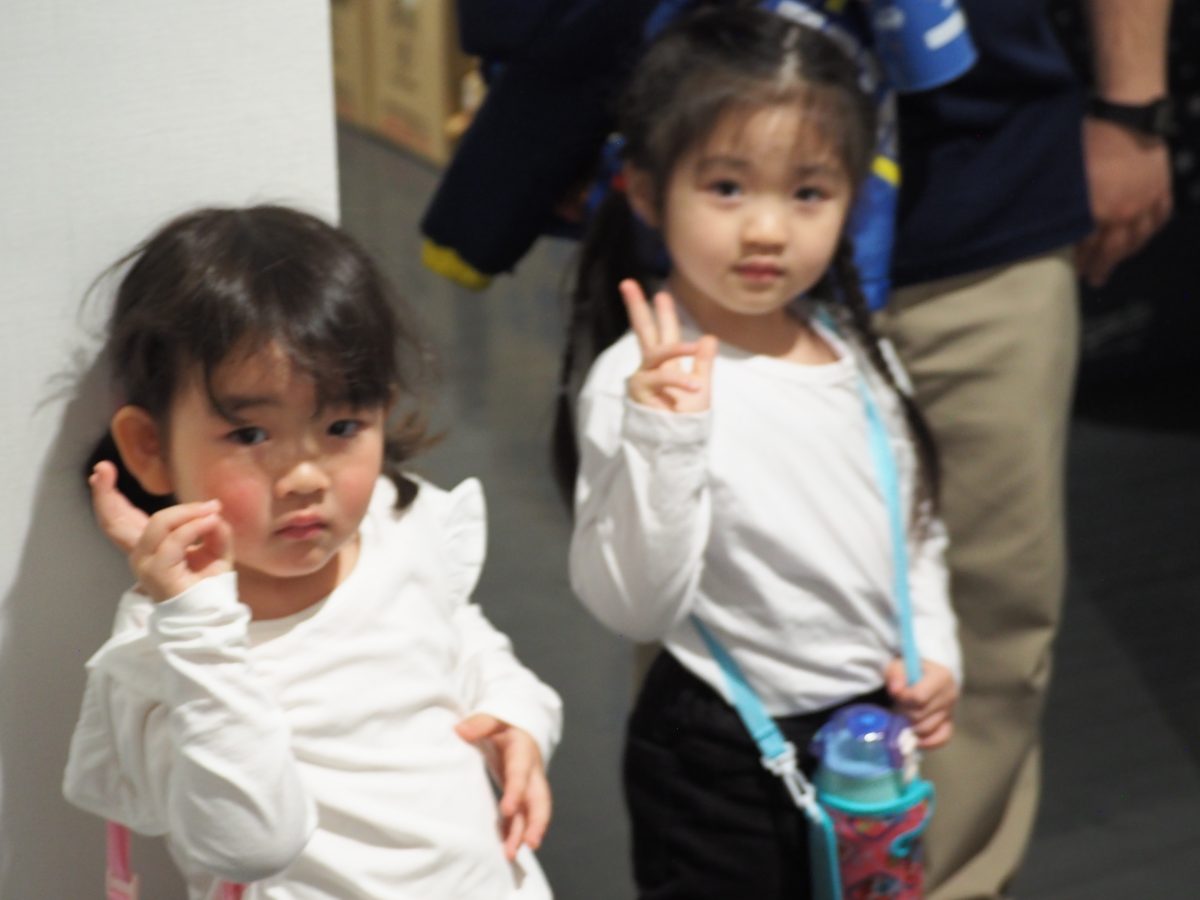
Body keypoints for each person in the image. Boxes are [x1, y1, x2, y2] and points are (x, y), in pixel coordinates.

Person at [554, 10, 961, 898]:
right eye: (728, 187)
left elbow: (916, 526)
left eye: (808, 192)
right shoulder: (637, 381)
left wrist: (933, 646)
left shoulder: (859, 356)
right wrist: (665, 438)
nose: (768, 229)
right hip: (718, 753)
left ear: (854, 198)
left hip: (867, 732)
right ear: (646, 191)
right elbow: (634, 606)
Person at [62, 205, 563, 899]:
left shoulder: (397, 527)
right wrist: (201, 628)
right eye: (250, 435)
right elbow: (249, 845)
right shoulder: (163, 650)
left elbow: (463, 638)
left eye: (342, 425)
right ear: (150, 447)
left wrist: (516, 717)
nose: (305, 477)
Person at [876, 2, 1175, 897]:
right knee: (718, 613)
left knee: (988, 623)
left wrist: (1132, 109)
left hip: (985, 185)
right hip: (713, 185)